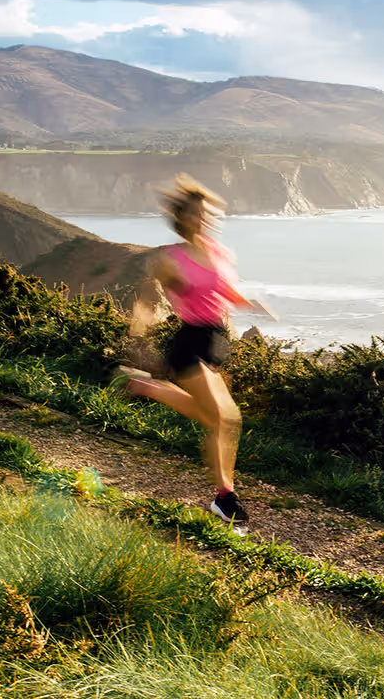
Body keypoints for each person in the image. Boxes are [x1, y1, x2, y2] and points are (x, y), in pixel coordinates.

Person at [119, 174, 273, 526]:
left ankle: (146, 387)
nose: (203, 219)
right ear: (181, 219)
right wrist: (138, 328)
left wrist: (253, 303)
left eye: (207, 213)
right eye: (195, 214)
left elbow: (227, 292)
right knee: (226, 418)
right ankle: (224, 497)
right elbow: (153, 295)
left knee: (212, 418)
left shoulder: (222, 253)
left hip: (218, 340)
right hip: (190, 342)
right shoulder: (171, 258)